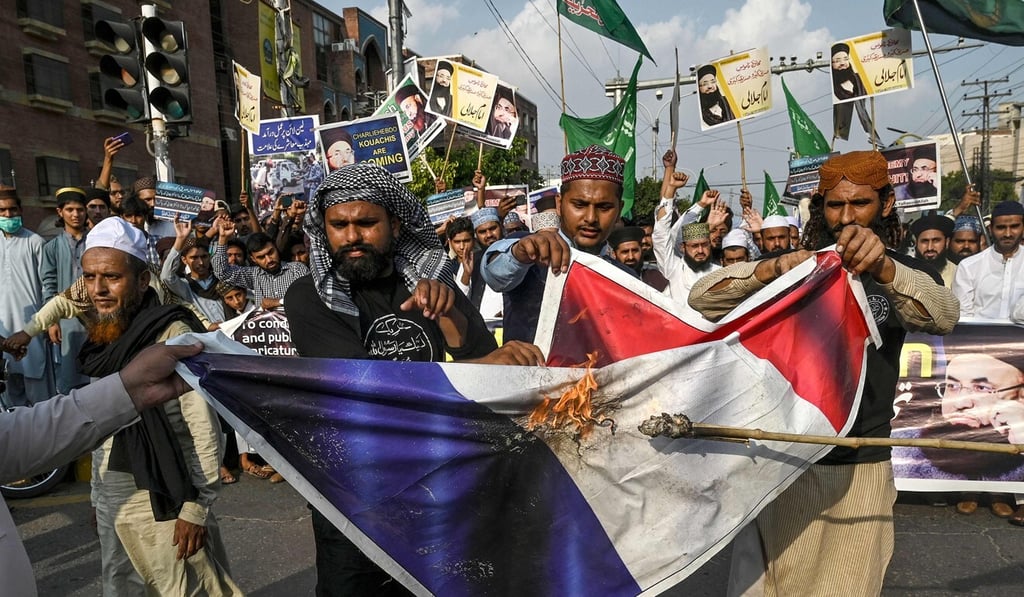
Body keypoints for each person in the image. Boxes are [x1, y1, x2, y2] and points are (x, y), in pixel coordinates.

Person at [689, 150, 959, 596]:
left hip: (858, 463)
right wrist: (775, 268)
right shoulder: (797, 266)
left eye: (860, 203)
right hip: (782, 459)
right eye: (836, 205)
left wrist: (884, 268)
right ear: (821, 207)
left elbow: (944, 315)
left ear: (887, 204)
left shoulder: (902, 271)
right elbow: (702, 298)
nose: (846, 217)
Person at [284, 162, 543, 596]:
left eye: (366, 223)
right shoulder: (309, 297)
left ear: (396, 224)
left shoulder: (431, 283)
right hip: (352, 495)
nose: (352, 236)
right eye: (339, 225)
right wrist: (481, 367)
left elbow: (479, 359)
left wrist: (447, 313)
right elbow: (366, 390)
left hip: (436, 487)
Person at [78, 217, 240, 595]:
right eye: (89, 277)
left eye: (111, 277)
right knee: (120, 584)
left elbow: (202, 425)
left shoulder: (171, 332)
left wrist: (196, 508)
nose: (98, 289)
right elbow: (103, 425)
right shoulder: (103, 336)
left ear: (141, 280)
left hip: (167, 487)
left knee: (184, 585)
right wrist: (99, 496)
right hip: (115, 490)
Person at [0, 339, 205, 597]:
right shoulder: (97, 352)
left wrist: (132, 388)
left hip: (161, 499)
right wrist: (98, 498)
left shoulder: (169, 338)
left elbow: (19, 438)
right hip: (116, 502)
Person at [481, 145, 626, 343]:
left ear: (619, 210)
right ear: (559, 204)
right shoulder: (530, 253)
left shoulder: (625, 279)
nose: (591, 218)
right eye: (580, 205)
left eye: (604, 207)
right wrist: (519, 254)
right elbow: (494, 273)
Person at [0, 186, 52, 407]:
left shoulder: (35, 242)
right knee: (8, 395)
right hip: (2, 329)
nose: (8, 215)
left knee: (41, 400)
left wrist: (47, 322)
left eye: (12, 209)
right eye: (2, 211)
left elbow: (47, 286)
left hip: (32, 328)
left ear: (20, 210)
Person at [41, 187, 91, 394]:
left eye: (80, 209)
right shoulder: (52, 247)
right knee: (69, 377)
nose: (75, 214)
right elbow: (49, 284)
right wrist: (52, 321)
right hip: (67, 321)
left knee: (98, 375)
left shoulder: (96, 241)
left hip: (97, 317)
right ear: (60, 212)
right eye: (70, 210)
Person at [953, 201, 1024, 319]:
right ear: (990, 229)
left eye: (1014, 227)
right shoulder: (968, 267)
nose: (1007, 234)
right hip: (978, 331)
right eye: (1001, 227)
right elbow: (963, 317)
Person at [212, 227, 309, 311]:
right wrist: (223, 239)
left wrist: (279, 302)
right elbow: (222, 272)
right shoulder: (254, 275)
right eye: (261, 257)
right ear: (253, 259)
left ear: (276, 248)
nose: (269, 260)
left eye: (270, 252)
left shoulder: (297, 269)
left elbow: (309, 298)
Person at [910, 213, 957, 287]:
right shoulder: (906, 271)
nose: (930, 248)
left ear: (947, 242)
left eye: (936, 241)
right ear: (916, 242)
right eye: (924, 241)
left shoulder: (957, 273)